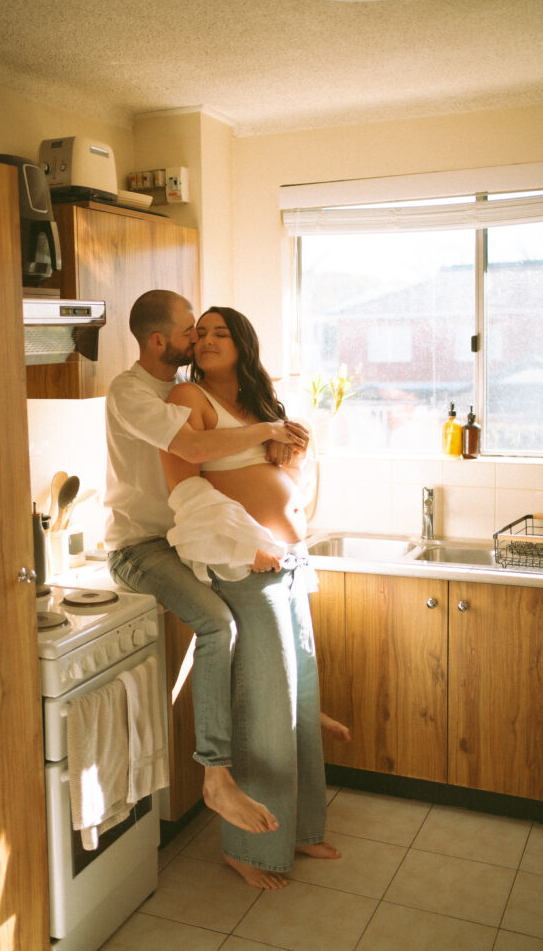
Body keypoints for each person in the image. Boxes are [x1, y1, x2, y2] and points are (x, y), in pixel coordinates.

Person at [104, 290, 309, 835]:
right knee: (217, 624)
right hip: (139, 548)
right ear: (159, 340)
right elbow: (194, 453)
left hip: (178, 542)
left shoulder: (179, 389)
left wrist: (276, 447)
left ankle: (297, 710)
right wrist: (268, 431)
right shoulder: (132, 394)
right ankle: (216, 778)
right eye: (191, 330)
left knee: (262, 647)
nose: (198, 339)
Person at [160, 305, 348, 889]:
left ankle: (301, 828)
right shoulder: (187, 402)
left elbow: (285, 485)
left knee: (295, 695)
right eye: (202, 333)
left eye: (222, 332)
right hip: (245, 564)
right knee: (264, 707)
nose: (209, 340)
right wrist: (248, 543)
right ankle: (248, 849)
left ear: (243, 344)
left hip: (287, 561)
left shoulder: (258, 405)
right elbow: (185, 485)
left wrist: (293, 453)